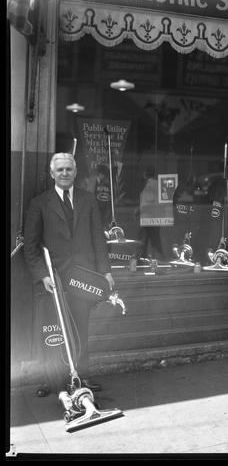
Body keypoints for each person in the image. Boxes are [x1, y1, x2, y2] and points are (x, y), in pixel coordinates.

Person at [24, 153, 115, 397]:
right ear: (52, 173)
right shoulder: (39, 203)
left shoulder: (88, 200)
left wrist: (105, 272)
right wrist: (42, 276)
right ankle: (50, 380)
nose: (65, 173)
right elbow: (31, 248)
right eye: (60, 170)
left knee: (80, 327)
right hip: (52, 280)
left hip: (82, 279)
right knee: (52, 331)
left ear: (75, 172)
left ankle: (82, 377)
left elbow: (98, 239)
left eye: (69, 169)